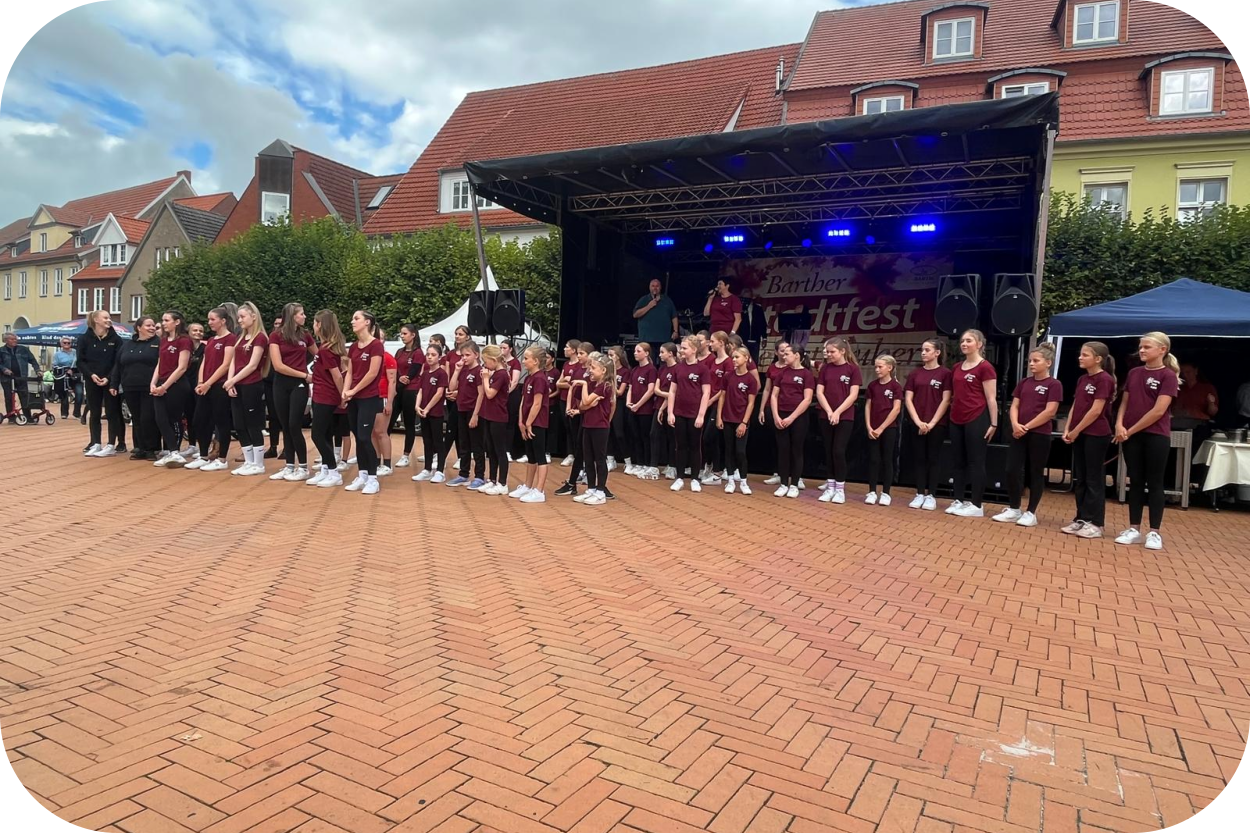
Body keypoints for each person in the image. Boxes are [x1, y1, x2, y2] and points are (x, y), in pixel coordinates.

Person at [1114, 332, 1180, 551]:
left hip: (1155, 435)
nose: (1141, 350)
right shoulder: (1134, 373)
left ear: (1162, 350)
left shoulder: (1168, 376)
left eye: (1147, 347)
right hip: (1130, 435)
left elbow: (1159, 410)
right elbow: (1124, 402)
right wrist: (1119, 424)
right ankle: (1134, 528)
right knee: (1135, 481)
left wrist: (1130, 430)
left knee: (1155, 482)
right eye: (1141, 347)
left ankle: (1154, 532)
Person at [995, 343, 1062, 527]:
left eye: (1036, 361)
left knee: (1035, 472)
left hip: (1039, 434)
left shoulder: (1054, 384)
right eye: (1030, 361)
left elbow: (1050, 411)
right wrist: (1015, 424)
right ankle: (1014, 508)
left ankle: (1031, 512)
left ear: (1048, 363)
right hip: (1018, 433)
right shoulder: (1024, 382)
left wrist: (1027, 426)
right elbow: (1014, 405)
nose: (1031, 364)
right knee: (1011, 469)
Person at [1061, 342, 1116, 539]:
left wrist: (1076, 430)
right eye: (1081, 354)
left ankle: (1096, 522)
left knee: (1094, 478)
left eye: (1085, 355)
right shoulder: (1083, 379)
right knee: (1081, 478)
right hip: (1079, 433)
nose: (1080, 357)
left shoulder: (1105, 379)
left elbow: (1096, 410)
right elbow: (1076, 405)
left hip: (1096, 434)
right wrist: (1068, 428)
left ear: (1098, 359)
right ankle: (1081, 518)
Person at [947, 329, 998, 518]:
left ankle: (977, 505)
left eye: (969, 340)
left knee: (976, 461)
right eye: (962, 341)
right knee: (957, 461)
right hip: (956, 418)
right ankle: (959, 500)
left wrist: (994, 423)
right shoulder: (956, 367)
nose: (964, 344)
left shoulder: (986, 368)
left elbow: (991, 398)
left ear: (979, 344)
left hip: (977, 417)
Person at [904, 338, 953, 511]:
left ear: (937, 353)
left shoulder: (945, 374)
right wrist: (918, 421)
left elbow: (946, 399)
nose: (923, 353)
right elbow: (908, 399)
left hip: (937, 424)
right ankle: (919, 493)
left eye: (927, 350)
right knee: (919, 458)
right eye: (922, 350)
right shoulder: (915, 374)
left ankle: (931, 495)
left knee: (933, 458)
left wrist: (932, 423)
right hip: (917, 422)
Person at [221, 303, 270, 476]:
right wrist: (231, 382)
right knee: (239, 424)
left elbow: (253, 365)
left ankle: (258, 463)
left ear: (253, 317)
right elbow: (233, 361)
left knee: (252, 424)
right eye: (239, 317)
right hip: (237, 385)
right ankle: (249, 462)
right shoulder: (240, 337)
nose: (240, 320)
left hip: (251, 385)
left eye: (243, 317)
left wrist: (233, 380)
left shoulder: (260, 338)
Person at [267, 303, 313, 481]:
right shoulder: (276, 336)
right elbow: (278, 366)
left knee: (294, 424)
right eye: (301, 314)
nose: (304, 316)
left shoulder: (305, 335)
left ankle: (303, 467)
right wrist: (304, 374)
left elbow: (319, 355)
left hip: (299, 385)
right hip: (281, 384)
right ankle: (289, 466)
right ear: (293, 316)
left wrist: (312, 374)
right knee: (285, 425)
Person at [186, 307, 236, 471]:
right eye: (209, 319)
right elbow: (204, 361)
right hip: (205, 386)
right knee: (199, 420)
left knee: (221, 422)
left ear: (223, 321)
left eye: (212, 319)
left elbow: (226, 364)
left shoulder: (230, 339)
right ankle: (203, 456)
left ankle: (222, 459)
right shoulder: (212, 340)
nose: (209, 322)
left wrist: (209, 383)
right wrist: (201, 382)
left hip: (219, 385)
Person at [342, 310, 385, 494]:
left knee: (365, 437)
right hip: (354, 399)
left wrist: (354, 390)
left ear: (367, 322)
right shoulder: (353, 347)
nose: (352, 321)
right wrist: (345, 391)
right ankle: (363, 475)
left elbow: (372, 373)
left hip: (369, 398)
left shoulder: (376, 345)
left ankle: (373, 479)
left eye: (356, 318)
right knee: (358, 437)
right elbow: (350, 372)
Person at [815, 337, 861, 505]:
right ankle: (830, 486)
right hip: (826, 415)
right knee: (828, 450)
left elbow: (853, 395)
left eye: (832, 352)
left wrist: (838, 412)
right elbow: (819, 392)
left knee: (838, 451)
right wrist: (829, 411)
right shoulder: (825, 368)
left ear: (842, 351)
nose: (828, 354)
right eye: (827, 352)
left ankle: (840, 489)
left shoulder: (853, 369)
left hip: (845, 416)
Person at [306, 310, 347, 488]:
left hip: (326, 396)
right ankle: (325, 469)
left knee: (317, 435)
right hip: (320, 394)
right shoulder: (326, 347)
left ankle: (333, 471)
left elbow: (337, 376)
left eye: (315, 322)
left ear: (319, 325)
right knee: (326, 434)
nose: (313, 326)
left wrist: (342, 396)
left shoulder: (326, 350)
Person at [111, 315, 161, 460]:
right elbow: (118, 365)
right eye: (148, 325)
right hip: (130, 386)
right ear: (139, 328)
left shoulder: (158, 343)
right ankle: (140, 447)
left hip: (150, 387)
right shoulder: (127, 345)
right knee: (137, 418)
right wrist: (114, 384)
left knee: (148, 417)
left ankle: (152, 448)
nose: (152, 328)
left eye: (153, 326)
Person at [770, 343, 815, 498]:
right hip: (781, 414)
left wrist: (792, 417)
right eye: (783, 353)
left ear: (797, 355)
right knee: (783, 450)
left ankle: (794, 484)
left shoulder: (806, 374)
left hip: (798, 417)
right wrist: (776, 416)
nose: (784, 356)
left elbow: (807, 399)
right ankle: (783, 483)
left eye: (787, 354)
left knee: (796, 450)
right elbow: (774, 395)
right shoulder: (782, 373)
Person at [669, 336, 712, 493]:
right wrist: (670, 412)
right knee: (680, 446)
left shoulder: (702, 369)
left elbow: (706, 393)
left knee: (695, 446)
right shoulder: (678, 368)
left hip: (694, 413)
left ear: (694, 350)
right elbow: (672, 391)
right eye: (681, 347)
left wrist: (701, 415)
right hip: (679, 412)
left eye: (685, 348)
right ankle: (679, 477)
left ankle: (694, 478)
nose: (681, 350)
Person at [151, 310, 193, 468]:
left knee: (174, 419)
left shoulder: (184, 341)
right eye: (162, 320)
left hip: (177, 384)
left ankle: (175, 452)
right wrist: (153, 383)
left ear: (177, 322)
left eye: (167, 320)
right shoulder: (163, 340)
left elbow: (182, 367)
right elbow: (160, 363)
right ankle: (171, 451)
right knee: (160, 418)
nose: (163, 323)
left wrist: (165, 386)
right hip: (162, 383)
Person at [573, 352, 616, 505]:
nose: (590, 370)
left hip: (600, 426)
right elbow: (582, 406)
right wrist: (589, 403)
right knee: (588, 459)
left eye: (593, 368)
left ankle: (600, 491)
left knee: (600, 459)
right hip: (588, 424)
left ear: (603, 370)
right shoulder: (595, 385)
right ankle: (591, 488)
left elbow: (585, 401)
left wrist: (584, 386)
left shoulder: (605, 386)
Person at [555, 342, 595, 497]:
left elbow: (592, 397)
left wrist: (580, 410)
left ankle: (593, 485)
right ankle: (573, 482)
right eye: (578, 353)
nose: (579, 356)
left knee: (588, 450)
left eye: (582, 353)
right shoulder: (578, 370)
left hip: (587, 414)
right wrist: (569, 407)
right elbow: (572, 389)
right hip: (576, 413)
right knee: (578, 448)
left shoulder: (593, 373)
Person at [718, 346, 759, 494]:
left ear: (746, 358)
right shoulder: (728, 376)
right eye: (733, 357)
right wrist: (719, 416)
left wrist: (744, 422)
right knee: (729, 450)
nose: (734, 360)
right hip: (727, 418)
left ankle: (743, 481)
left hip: (741, 419)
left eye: (737, 357)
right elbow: (722, 396)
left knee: (740, 451)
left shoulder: (751, 380)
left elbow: (751, 403)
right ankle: (730, 481)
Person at [864, 355, 904, 506]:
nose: (877, 369)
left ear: (889, 368)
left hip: (888, 428)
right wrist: (869, 426)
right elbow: (868, 406)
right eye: (876, 366)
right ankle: (872, 491)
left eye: (880, 367)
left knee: (887, 459)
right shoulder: (872, 386)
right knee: (873, 459)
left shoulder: (895, 386)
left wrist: (881, 428)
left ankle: (886, 492)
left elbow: (896, 409)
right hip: (873, 428)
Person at [514, 345, 552, 502]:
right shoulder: (528, 378)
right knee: (530, 455)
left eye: (526, 358)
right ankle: (528, 486)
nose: (523, 361)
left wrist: (529, 422)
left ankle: (539, 490)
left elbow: (537, 403)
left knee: (539, 455)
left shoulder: (540, 379)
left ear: (536, 361)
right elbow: (524, 401)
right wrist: (521, 421)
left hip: (537, 422)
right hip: (527, 421)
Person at [447, 341, 486, 488]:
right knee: (463, 443)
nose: (464, 358)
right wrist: (457, 370)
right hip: (461, 409)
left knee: (476, 444)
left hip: (473, 410)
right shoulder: (463, 370)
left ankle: (480, 476)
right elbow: (451, 387)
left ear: (476, 355)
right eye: (462, 355)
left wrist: (476, 414)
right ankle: (463, 474)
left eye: (467, 355)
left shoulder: (479, 371)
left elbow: (481, 393)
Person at [477, 345, 512, 495]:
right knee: (490, 449)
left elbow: (490, 393)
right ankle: (492, 479)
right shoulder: (495, 373)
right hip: (489, 415)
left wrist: (485, 379)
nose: (485, 365)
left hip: (498, 416)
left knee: (499, 450)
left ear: (493, 360)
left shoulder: (502, 374)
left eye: (486, 361)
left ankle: (502, 483)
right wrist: (487, 377)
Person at [412, 344, 449, 483]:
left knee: (438, 442)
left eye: (433, 355)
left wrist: (427, 408)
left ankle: (440, 471)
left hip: (435, 413)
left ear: (439, 357)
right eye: (428, 354)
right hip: (424, 413)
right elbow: (421, 391)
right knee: (427, 441)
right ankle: (427, 469)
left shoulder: (441, 374)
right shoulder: (425, 373)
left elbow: (439, 393)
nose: (430, 357)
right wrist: (417, 406)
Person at [700, 332, 733, 485]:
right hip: (708, 402)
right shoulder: (713, 361)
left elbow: (724, 388)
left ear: (721, 343)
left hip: (718, 404)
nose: (710, 343)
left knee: (710, 436)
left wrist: (711, 400)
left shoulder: (728, 362)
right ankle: (709, 467)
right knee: (707, 438)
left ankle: (717, 471)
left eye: (712, 341)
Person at [393, 325, 424, 467]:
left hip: (411, 390)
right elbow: (395, 368)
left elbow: (413, 372)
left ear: (413, 335)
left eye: (405, 333)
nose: (402, 336)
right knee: (389, 420)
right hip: (398, 389)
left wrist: (405, 379)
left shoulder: (418, 353)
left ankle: (406, 455)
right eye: (401, 333)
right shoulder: (399, 352)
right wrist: (399, 378)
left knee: (409, 423)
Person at [626, 343, 657, 479]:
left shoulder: (651, 370)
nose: (635, 353)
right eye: (635, 351)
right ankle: (639, 463)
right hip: (633, 408)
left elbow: (650, 390)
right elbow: (631, 388)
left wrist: (638, 405)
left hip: (645, 410)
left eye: (638, 351)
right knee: (635, 436)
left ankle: (647, 464)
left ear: (646, 353)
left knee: (645, 437)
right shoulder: (634, 370)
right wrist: (628, 402)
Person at [651, 342, 679, 481]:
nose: (660, 355)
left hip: (672, 407)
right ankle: (653, 466)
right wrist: (666, 394)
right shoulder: (661, 368)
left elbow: (674, 393)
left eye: (663, 352)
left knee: (672, 437)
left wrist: (667, 397)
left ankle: (672, 466)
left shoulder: (677, 369)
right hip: (659, 405)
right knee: (654, 434)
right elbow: (656, 389)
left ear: (671, 354)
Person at [633, 278, 680, 357]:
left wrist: (675, 331)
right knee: (649, 360)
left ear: (660, 287)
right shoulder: (644, 299)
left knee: (664, 360)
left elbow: (674, 316)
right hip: (647, 339)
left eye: (657, 286)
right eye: (653, 286)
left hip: (664, 338)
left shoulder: (667, 300)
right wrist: (649, 306)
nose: (655, 288)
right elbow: (635, 315)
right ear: (649, 287)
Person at [1, 331, 41, 423]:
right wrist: (4, 369)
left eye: (16, 339)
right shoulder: (1, 351)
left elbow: (33, 360)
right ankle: (11, 417)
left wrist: (37, 370)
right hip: (7, 378)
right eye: (12, 339)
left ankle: (28, 417)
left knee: (24, 396)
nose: (15, 341)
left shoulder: (23, 349)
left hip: (21, 377)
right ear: (6, 340)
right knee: (9, 397)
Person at [372, 343, 398, 476]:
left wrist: (389, 402)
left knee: (381, 431)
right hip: (371, 397)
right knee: (373, 432)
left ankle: (387, 464)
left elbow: (392, 381)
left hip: (383, 396)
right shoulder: (372, 357)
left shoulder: (388, 358)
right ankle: (376, 462)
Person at [555, 339, 581, 468]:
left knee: (575, 428)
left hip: (575, 401)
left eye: (567, 347)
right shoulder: (566, 364)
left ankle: (578, 454)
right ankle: (570, 454)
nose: (564, 349)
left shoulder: (579, 365)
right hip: (563, 399)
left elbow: (576, 384)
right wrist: (566, 380)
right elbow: (558, 383)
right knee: (567, 428)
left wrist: (567, 382)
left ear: (574, 350)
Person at [607, 345, 631, 473]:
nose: (609, 357)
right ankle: (610, 460)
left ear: (618, 356)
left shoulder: (625, 371)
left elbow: (620, 392)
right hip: (607, 402)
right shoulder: (607, 370)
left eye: (611, 355)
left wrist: (612, 381)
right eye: (608, 355)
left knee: (619, 433)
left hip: (619, 403)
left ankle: (628, 461)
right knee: (608, 431)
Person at [263, 314, 284, 460]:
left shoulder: (288, 341)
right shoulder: (269, 341)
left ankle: (288, 448)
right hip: (269, 382)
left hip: (283, 381)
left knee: (285, 417)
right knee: (273, 416)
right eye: (275, 324)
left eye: (280, 324)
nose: (277, 326)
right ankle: (273, 447)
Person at [500, 339, 524, 462]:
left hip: (511, 395)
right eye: (500, 348)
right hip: (499, 395)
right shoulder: (498, 361)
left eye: (504, 348)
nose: (502, 350)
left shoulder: (515, 362)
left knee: (510, 422)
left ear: (510, 349)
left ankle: (508, 450)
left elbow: (514, 381)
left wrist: (506, 392)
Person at [51, 336, 82, 420]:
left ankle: (77, 413)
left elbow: (80, 362)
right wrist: (65, 369)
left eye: (69, 343)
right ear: (61, 344)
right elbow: (54, 366)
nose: (67, 344)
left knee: (79, 393)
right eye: (65, 343)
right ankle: (64, 413)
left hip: (76, 374)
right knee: (64, 394)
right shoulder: (57, 354)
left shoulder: (75, 352)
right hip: (64, 375)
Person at [184, 322, 205, 440]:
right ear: (189, 332)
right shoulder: (185, 347)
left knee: (200, 415)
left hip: (199, 384)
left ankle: (202, 442)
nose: (198, 333)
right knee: (189, 414)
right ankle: (192, 443)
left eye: (201, 331)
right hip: (186, 384)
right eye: (195, 330)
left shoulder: (205, 348)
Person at [739, 288, 767, 361]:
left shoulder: (758, 308)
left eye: (748, 298)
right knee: (742, 359)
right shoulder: (739, 309)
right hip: (742, 339)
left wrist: (764, 337)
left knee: (754, 360)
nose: (747, 300)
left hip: (755, 339)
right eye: (745, 298)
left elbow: (762, 323)